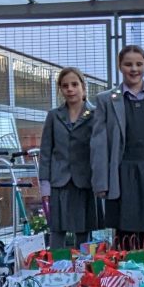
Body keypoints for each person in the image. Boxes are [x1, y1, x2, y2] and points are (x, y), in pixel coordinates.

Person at [90, 45, 144, 250]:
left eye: (139, 64)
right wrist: (101, 182)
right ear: (120, 66)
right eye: (128, 64)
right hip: (121, 173)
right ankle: (124, 276)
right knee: (124, 232)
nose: (134, 69)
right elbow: (99, 143)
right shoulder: (105, 100)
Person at [39, 67, 101, 249]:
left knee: (83, 230)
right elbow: (45, 150)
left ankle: (84, 270)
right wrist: (45, 184)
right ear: (60, 89)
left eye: (74, 84)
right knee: (57, 230)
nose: (70, 89)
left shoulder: (96, 115)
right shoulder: (53, 116)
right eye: (65, 86)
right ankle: (56, 271)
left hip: (85, 182)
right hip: (59, 181)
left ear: (83, 86)